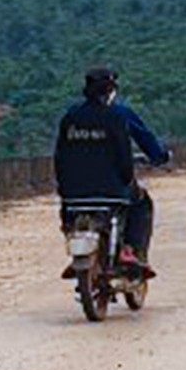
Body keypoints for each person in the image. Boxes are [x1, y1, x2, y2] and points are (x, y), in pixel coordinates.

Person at [53, 66, 171, 272]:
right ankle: (130, 250)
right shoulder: (119, 114)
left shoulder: (71, 116)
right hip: (113, 190)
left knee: (68, 210)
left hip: (73, 192)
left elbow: (59, 155)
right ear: (111, 90)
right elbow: (146, 141)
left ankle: (73, 237)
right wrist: (160, 157)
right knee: (141, 204)